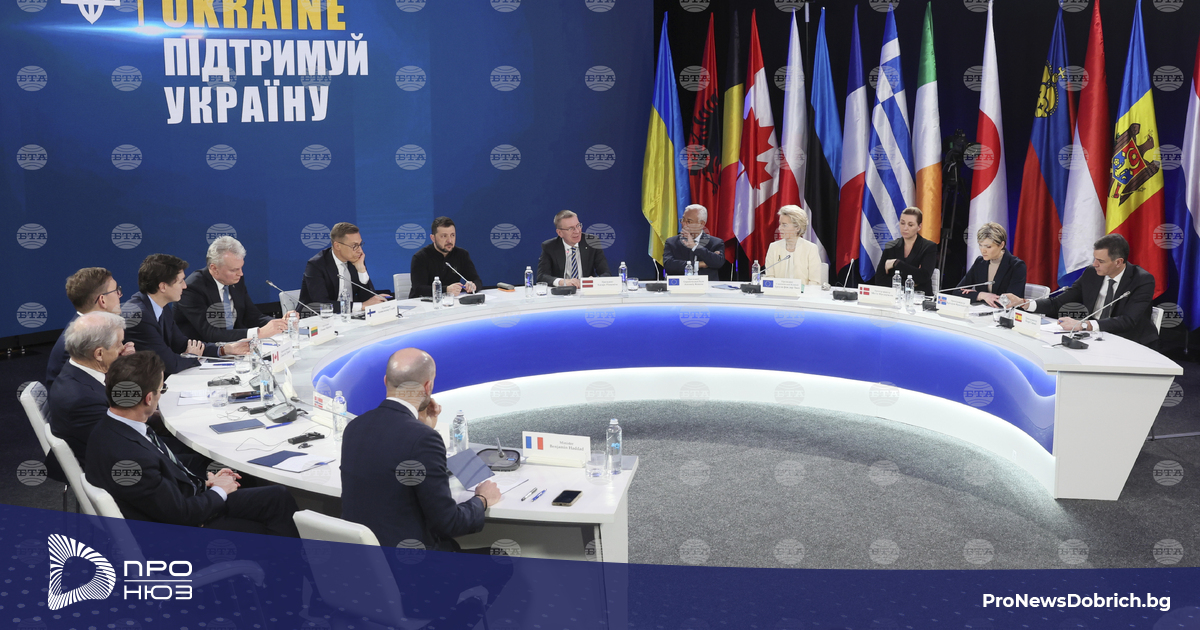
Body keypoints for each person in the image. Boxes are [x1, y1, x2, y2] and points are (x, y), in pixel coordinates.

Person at [84, 351, 299, 535]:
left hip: (179, 503)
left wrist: (206, 483)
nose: (161, 395)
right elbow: (182, 514)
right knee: (273, 515)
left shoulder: (111, 427)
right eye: (161, 390)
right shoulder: (131, 458)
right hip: (180, 531)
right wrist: (219, 491)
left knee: (277, 497)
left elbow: (164, 482)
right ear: (149, 398)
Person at [341, 348, 501, 551]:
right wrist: (482, 499)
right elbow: (449, 523)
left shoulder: (355, 426)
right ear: (428, 386)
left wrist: (422, 427)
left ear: (385, 381)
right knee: (501, 556)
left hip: (362, 558)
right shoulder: (423, 439)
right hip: (411, 563)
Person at [1003, 233, 1158, 346]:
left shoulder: (1142, 280)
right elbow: (1058, 303)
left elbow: (1128, 321)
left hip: (1130, 342)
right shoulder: (1092, 273)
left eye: (1101, 261)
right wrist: (1024, 303)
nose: (1095, 264)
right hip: (1094, 338)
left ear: (1118, 262)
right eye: (1094, 258)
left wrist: (1084, 325)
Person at [124, 254, 248, 377]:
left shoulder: (161, 305)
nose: (185, 286)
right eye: (180, 281)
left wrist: (225, 349)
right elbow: (170, 363)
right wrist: (192, 356)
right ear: (163, 287)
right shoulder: (140, 316)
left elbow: (182, 344)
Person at [175, 236, 291, 343]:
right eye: (234, 270)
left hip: (235, 347)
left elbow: (252, 316)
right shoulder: (192, 288)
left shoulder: (235, 280)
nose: (240, 273)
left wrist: (280, 323)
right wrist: (258, 333)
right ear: (214, 268)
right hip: (202, 351)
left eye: (241, 268)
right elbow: (211, 333)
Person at [48, 312, 126, 463]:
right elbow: (120, 444)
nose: (123, 349)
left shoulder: (76, 369)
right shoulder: (83, 400)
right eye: (119, 344)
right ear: (99, 354)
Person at [45, 267, 134, 389]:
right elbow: (91, 389)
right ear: (102, 300)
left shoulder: (100, 329)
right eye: (116, 291)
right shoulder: (77, 342)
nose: (120, 295)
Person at [299, 222, 389, 313]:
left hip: (349, 316)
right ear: (337, 246)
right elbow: (320, 304)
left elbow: (368, 298)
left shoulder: (356, 260)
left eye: (360, 244)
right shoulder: (316, 265)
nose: (360, 250)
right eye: (354, 246)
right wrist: (361, 306)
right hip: (314, 317)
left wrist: (361, 270)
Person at [409, 217, 483, 299]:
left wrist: (473, 285)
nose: (450, 240)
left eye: (452, 235)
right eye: (444, 236)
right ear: (433, 238)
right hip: (422, 303)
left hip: (451, 302)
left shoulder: (462, 254)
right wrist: (446, 290)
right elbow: (418, 289)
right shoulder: (420, 257)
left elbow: (477, 280)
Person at [958, 222, 1027, 307]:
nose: (983, 250)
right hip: (981, 312)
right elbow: (957, 292)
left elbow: (1011, 301)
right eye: (980, 245)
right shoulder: (980, 262)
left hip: (1005, 314)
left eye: (988, 247)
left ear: (1001, 245)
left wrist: (977, 296)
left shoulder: (1017, 266)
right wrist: (981, 295)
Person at [536, 210, 610, 287]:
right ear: (560, 233)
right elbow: (542, 276)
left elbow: (606, 273)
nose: (577, 231)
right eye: (570, 228)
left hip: (586, 290)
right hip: (562, 292)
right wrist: (562, 282)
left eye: (578, 225)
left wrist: (594, 281)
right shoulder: (549, 247)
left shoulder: (592, 242)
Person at [875, 207, 938, 295]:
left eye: (910, 225)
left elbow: (923, 277)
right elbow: (879, 280)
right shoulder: (891, 246)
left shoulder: (929, 247)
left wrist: (896, 263)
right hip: (894, 297)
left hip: (920, 297)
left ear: (919, 226)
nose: (905, 228)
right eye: (902, 223)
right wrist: (911, 282)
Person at [763, 205, 823, 285]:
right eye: (780, 224)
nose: (780, 228)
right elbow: (769, 277)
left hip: (804, 292)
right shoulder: (773, 247)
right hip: (778, 292)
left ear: (797, 228)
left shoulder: (810, 248)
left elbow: (814, 281)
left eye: (784, 225)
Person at [663, 205, 726, 281]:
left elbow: (718, 263)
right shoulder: (672, 242)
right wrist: (699, 264)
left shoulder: (715, 243)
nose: (683, 224)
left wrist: (695, 246)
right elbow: (669, 265)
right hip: (680, 285)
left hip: (707, 286)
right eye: (683, 220)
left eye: (689, 221)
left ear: (701, 224)